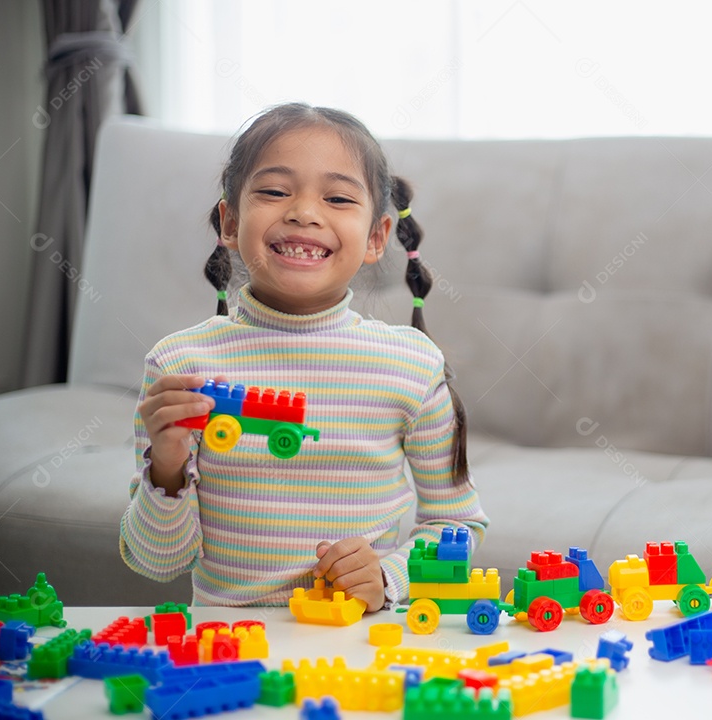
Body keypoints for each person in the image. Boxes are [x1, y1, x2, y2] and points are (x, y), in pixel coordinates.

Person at [119, 103, 488, 609]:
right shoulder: (181, 366)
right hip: (230, 648)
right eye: (274, 191)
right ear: (229, 222)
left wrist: (388, 578)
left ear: (377, 237)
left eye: (337, 197)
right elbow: (155, 563)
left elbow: (459, 524)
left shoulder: (411, 364)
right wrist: (166, 468)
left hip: (359, 644)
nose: (304, 212)